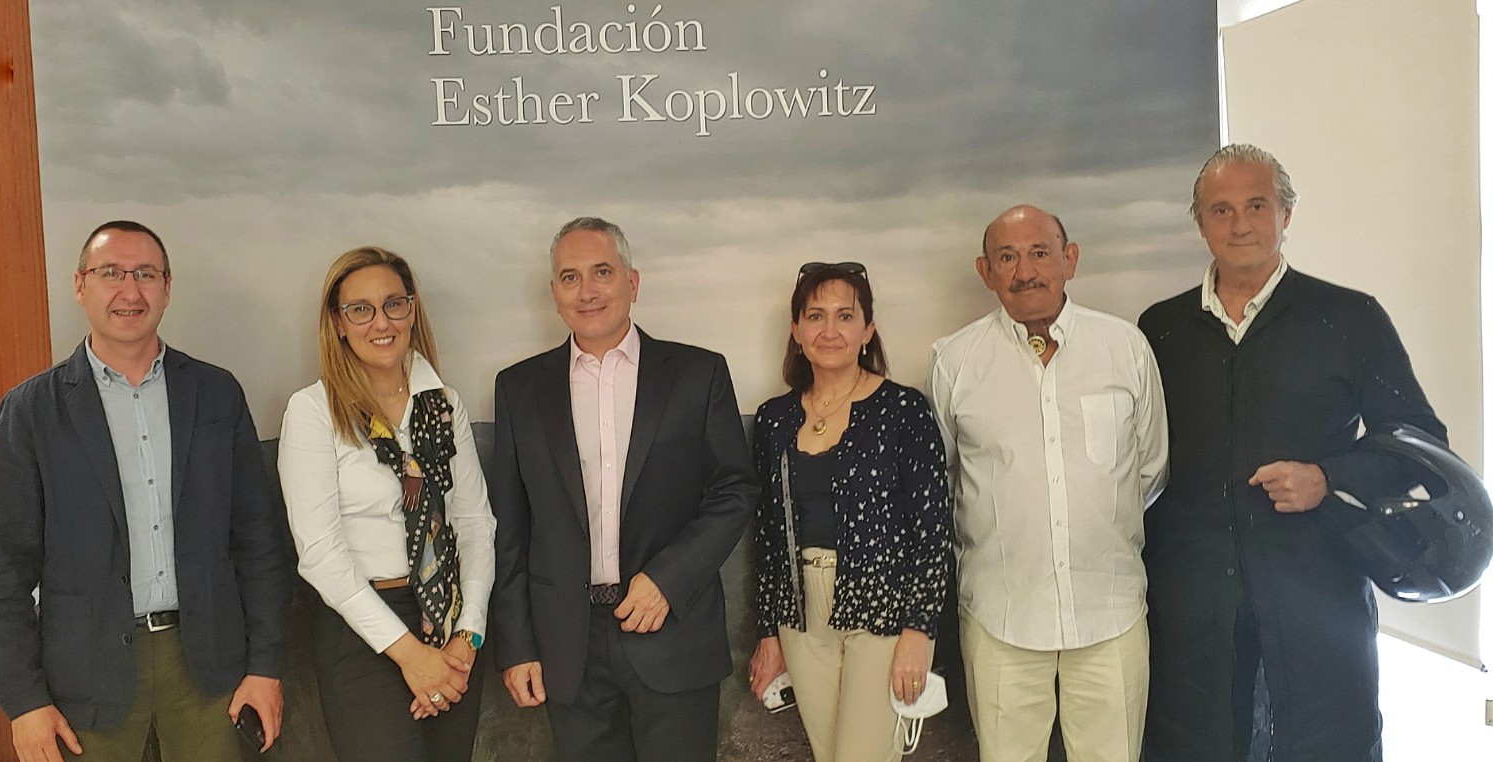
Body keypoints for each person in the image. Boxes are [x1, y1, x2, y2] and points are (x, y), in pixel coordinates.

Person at [1138, 144, 1444, 762]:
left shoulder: (1349, 318)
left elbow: (1418, 441)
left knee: (1326, 742)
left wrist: (1327, 477)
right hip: (1193, 605)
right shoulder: (1159, 330)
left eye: (1257, 205)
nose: (1240, 223)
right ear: (1199, 223)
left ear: (1287, 215)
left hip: (1316, 595)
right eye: (1220, 210)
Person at [0, 220, 294, 761]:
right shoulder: (31, 412)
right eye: (111, 273)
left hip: (209, 670)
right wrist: (23, 702)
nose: (130, 290)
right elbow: (0, 571)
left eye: (145, 274)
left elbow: (259, 545)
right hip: (84, 678)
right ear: (80, 285)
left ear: (167, 287)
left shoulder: (216, 394)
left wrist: (266, 666)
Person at [489, 216, 758, 761]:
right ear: (554, 293)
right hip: (567, 648)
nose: (586, 291)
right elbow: (510, 528)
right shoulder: (518, 388)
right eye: (570, 277)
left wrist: (667, 579)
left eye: (602, 272)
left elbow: (735, 489)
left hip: (671, 630)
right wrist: (516, 646)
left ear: (632, 283)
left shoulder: (697, 373)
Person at [929, 206, 1168, 762]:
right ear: (985, 271)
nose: (1025, 270)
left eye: (1040, 252)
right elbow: (943, 483)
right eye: (1007, 257)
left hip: (1110, 613)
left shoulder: (1125, 348)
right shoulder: (954, 361)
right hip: (1000, 617)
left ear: (1071, 260)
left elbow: (1150, 469)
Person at [278, 247, 497, 761]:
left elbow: (474, 522)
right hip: (363, 634)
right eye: (361, 309)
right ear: (338, 323)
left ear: (412, 311)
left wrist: (468, 636)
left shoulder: (443, 404)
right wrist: (410, 657)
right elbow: (320, 555)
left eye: (393, 304)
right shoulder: (313, 411)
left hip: (450, 624)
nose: (381, 322)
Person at [745, 262, 952, 762]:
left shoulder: (904, 411)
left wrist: (918, 632)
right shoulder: (774, 419)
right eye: (815, 316)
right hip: (801, 616)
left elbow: (933, 532)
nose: (830, 330)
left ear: (868, 329)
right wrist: (768, 632)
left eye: (845, 315)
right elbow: (768, 536)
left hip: (883, 611)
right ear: (796, 331)